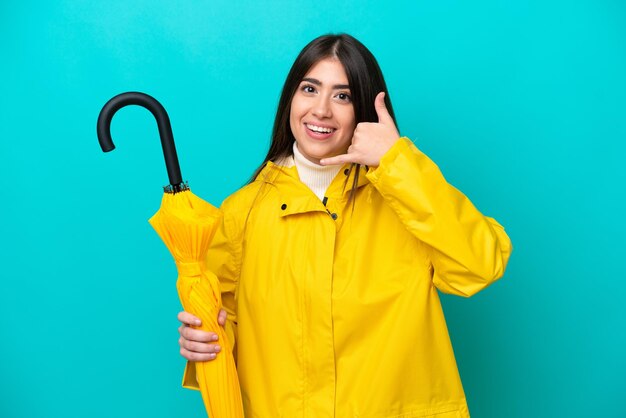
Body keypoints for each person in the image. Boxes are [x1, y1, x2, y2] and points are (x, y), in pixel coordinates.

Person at [176, 33, 512, 418]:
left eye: (343, 96)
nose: (321, 110)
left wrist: (397, 162)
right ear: (290, 98)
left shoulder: (405, 197)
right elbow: (226, 330)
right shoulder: (242, 213)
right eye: (309, 88)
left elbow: (480, 265)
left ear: (364, 111)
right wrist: (205, 343)